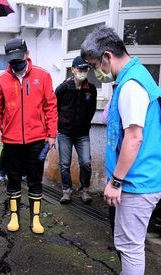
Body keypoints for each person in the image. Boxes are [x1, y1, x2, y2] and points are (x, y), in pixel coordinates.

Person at [81, 27, 161, 275]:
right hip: (139, 178)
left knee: (130, 245)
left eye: (94, 66)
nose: (95, 73)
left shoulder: (132, 86)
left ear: (107, 57)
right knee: (125, 241)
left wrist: (115, 182)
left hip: (138, 181)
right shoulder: (131, 79)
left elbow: (134, 139)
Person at [0, 37, 58, 235]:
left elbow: (50, 106)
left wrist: (51, 134)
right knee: (13, 179)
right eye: (12, 61)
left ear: (27, 55)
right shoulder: (1, 80)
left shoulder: (42, 76)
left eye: (18, 59)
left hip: (37, 139)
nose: (16, 64)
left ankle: (35, 219)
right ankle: (14, 216)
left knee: (35, 180)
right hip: (11, 141)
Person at [55, 56, 97, 205]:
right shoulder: (63, 88)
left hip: (82, 134)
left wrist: (84, 123)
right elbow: (54, 108)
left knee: (85, 162)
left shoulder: (90, 89)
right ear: (73, 69)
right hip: (64, 133)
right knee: (64, 164)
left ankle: (84, 190)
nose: (82, 71)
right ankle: (66, 191)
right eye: (79, 69)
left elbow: (92, 109)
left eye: (85, 69)